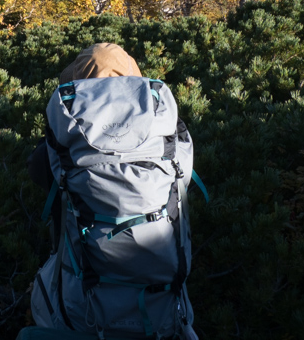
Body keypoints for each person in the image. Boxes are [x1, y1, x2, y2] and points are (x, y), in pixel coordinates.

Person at [25, 43, 200, 340]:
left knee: (41, 295)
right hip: (165, 313)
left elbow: (37, 170)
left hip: (83, 315)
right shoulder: (166, 136)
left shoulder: (59, 148)